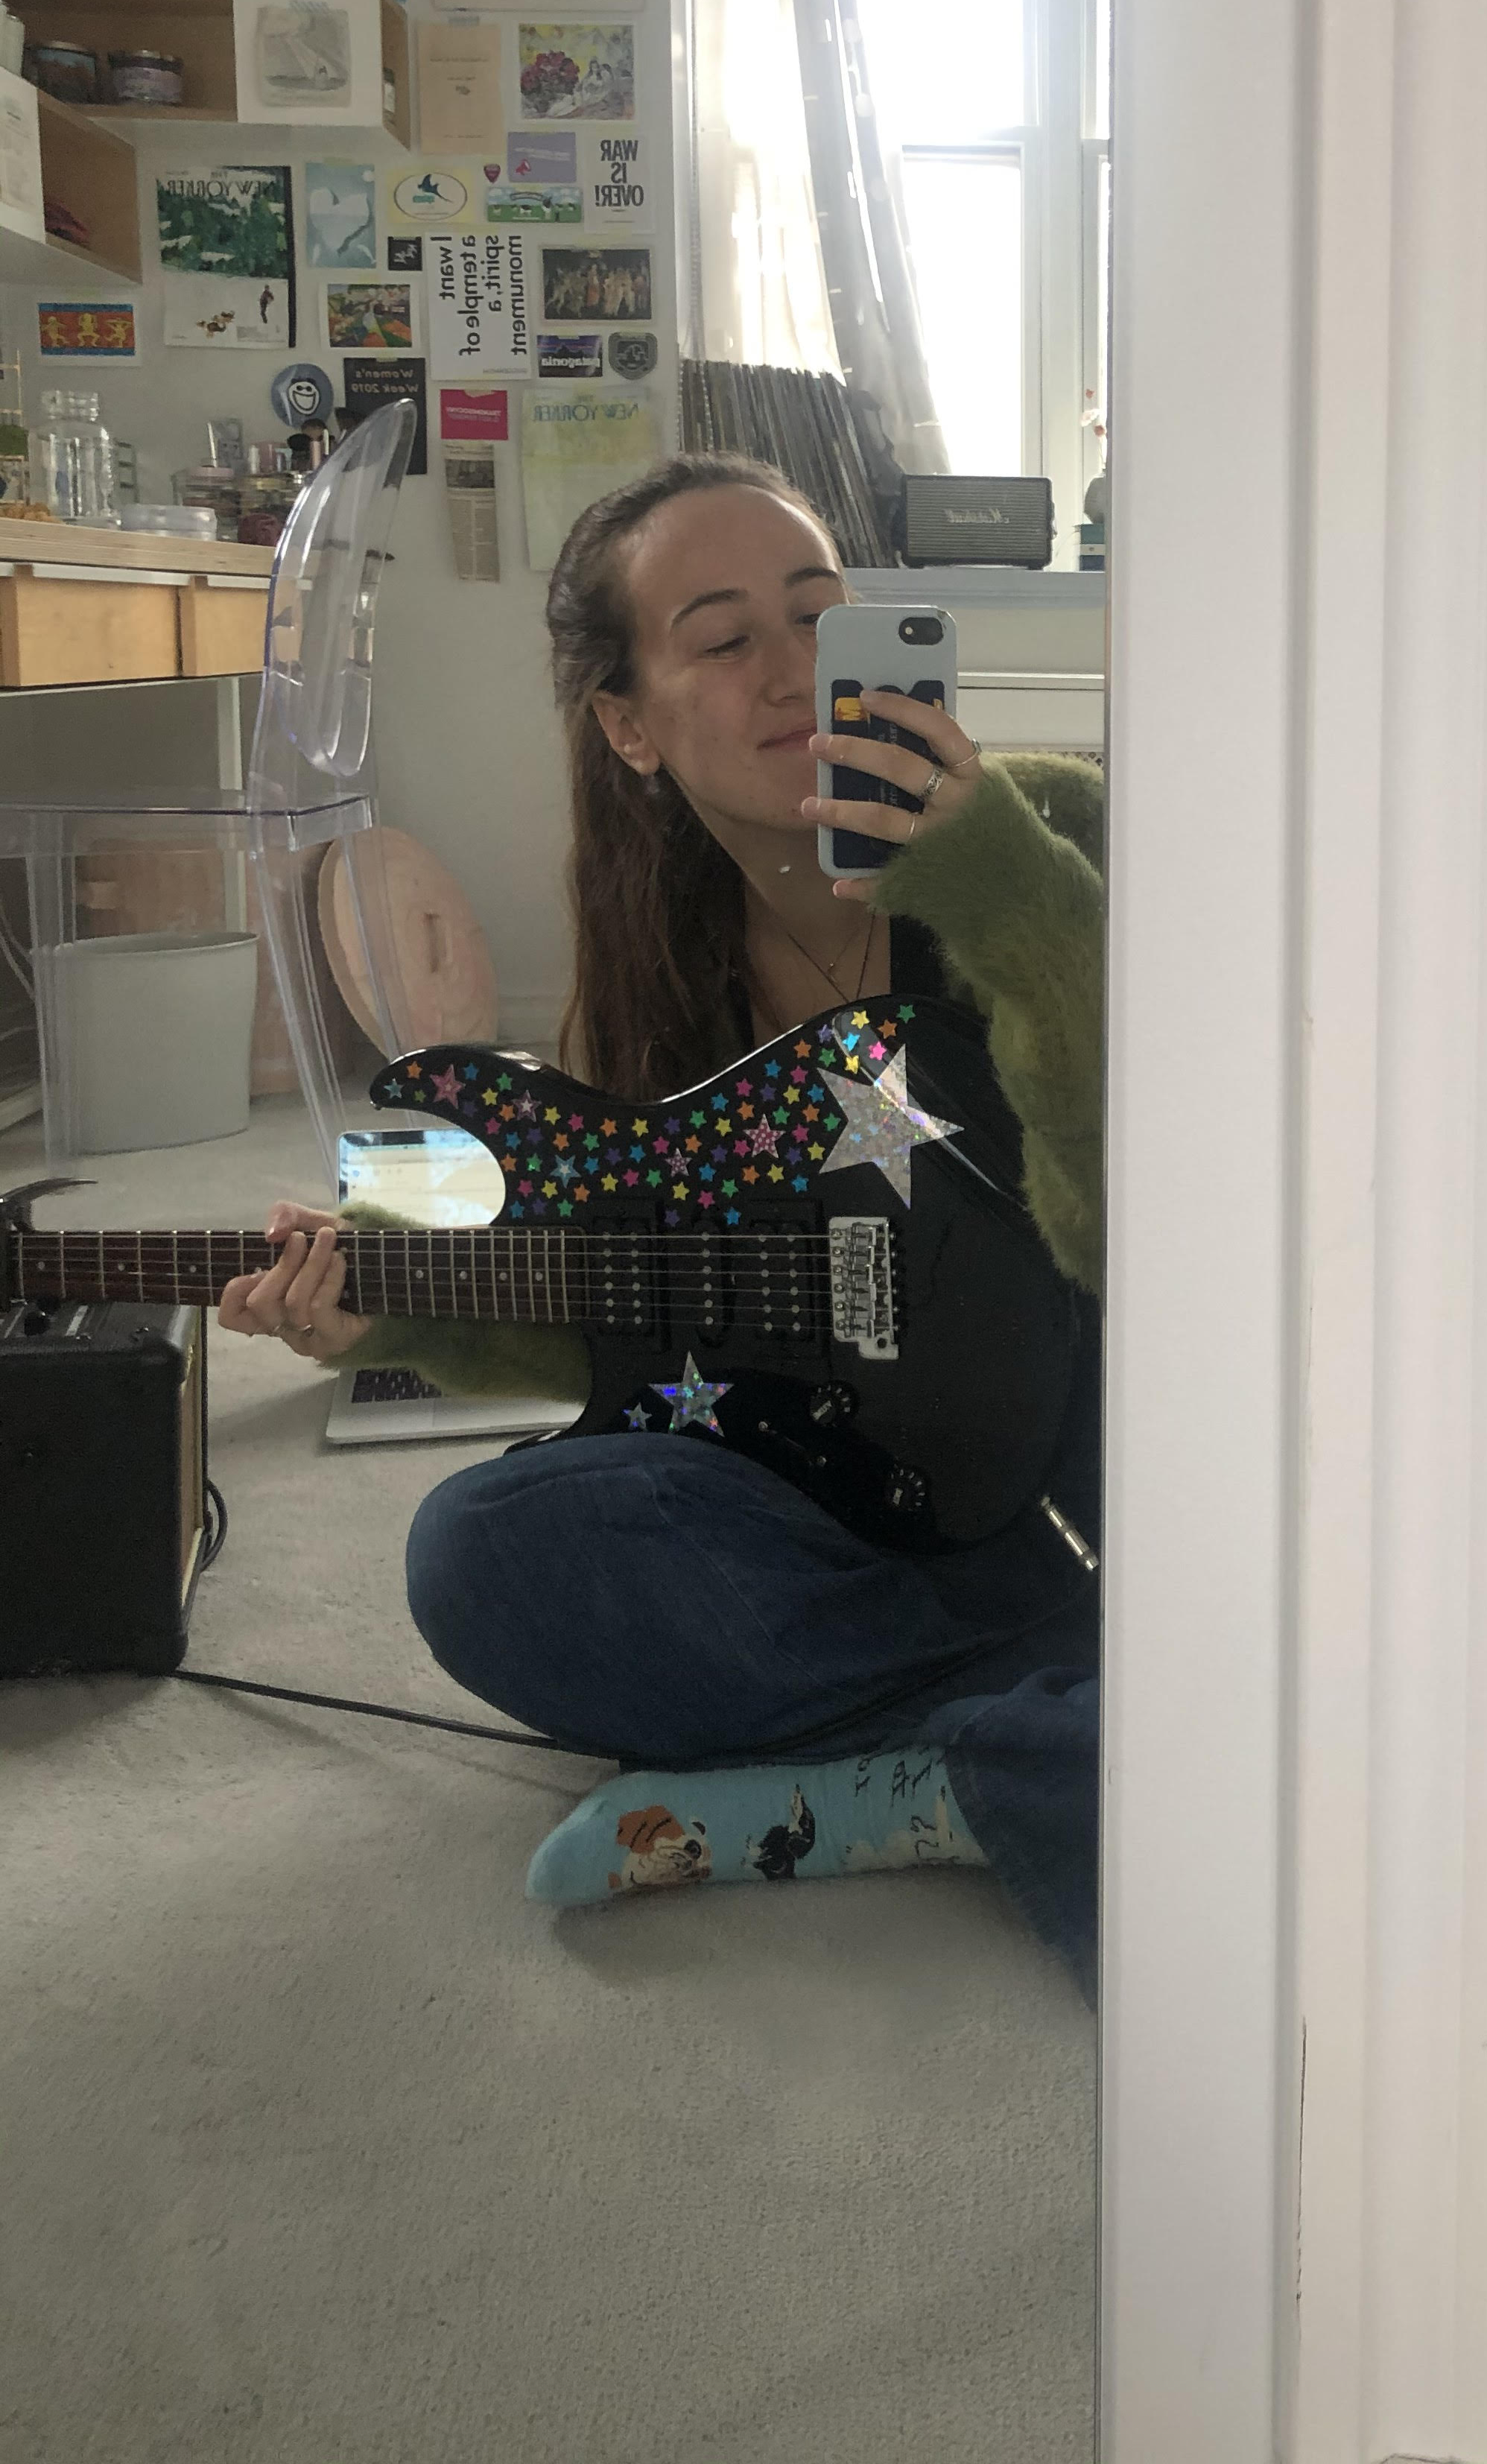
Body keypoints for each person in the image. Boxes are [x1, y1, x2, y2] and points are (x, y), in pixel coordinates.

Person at [217, 455, 1105, 1997]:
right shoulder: (653, 991)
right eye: (723, 636)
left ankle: (967, 1766)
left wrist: (1002, 889)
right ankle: (1065, 1726)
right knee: (483, 1551)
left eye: (818, 611)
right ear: (629, 723)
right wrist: (400, 1308)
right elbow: (644, 1315)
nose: (796, 668)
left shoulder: (1056, 834)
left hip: (1130, 1423)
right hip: (901, 1502)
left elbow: (1159, 1223)